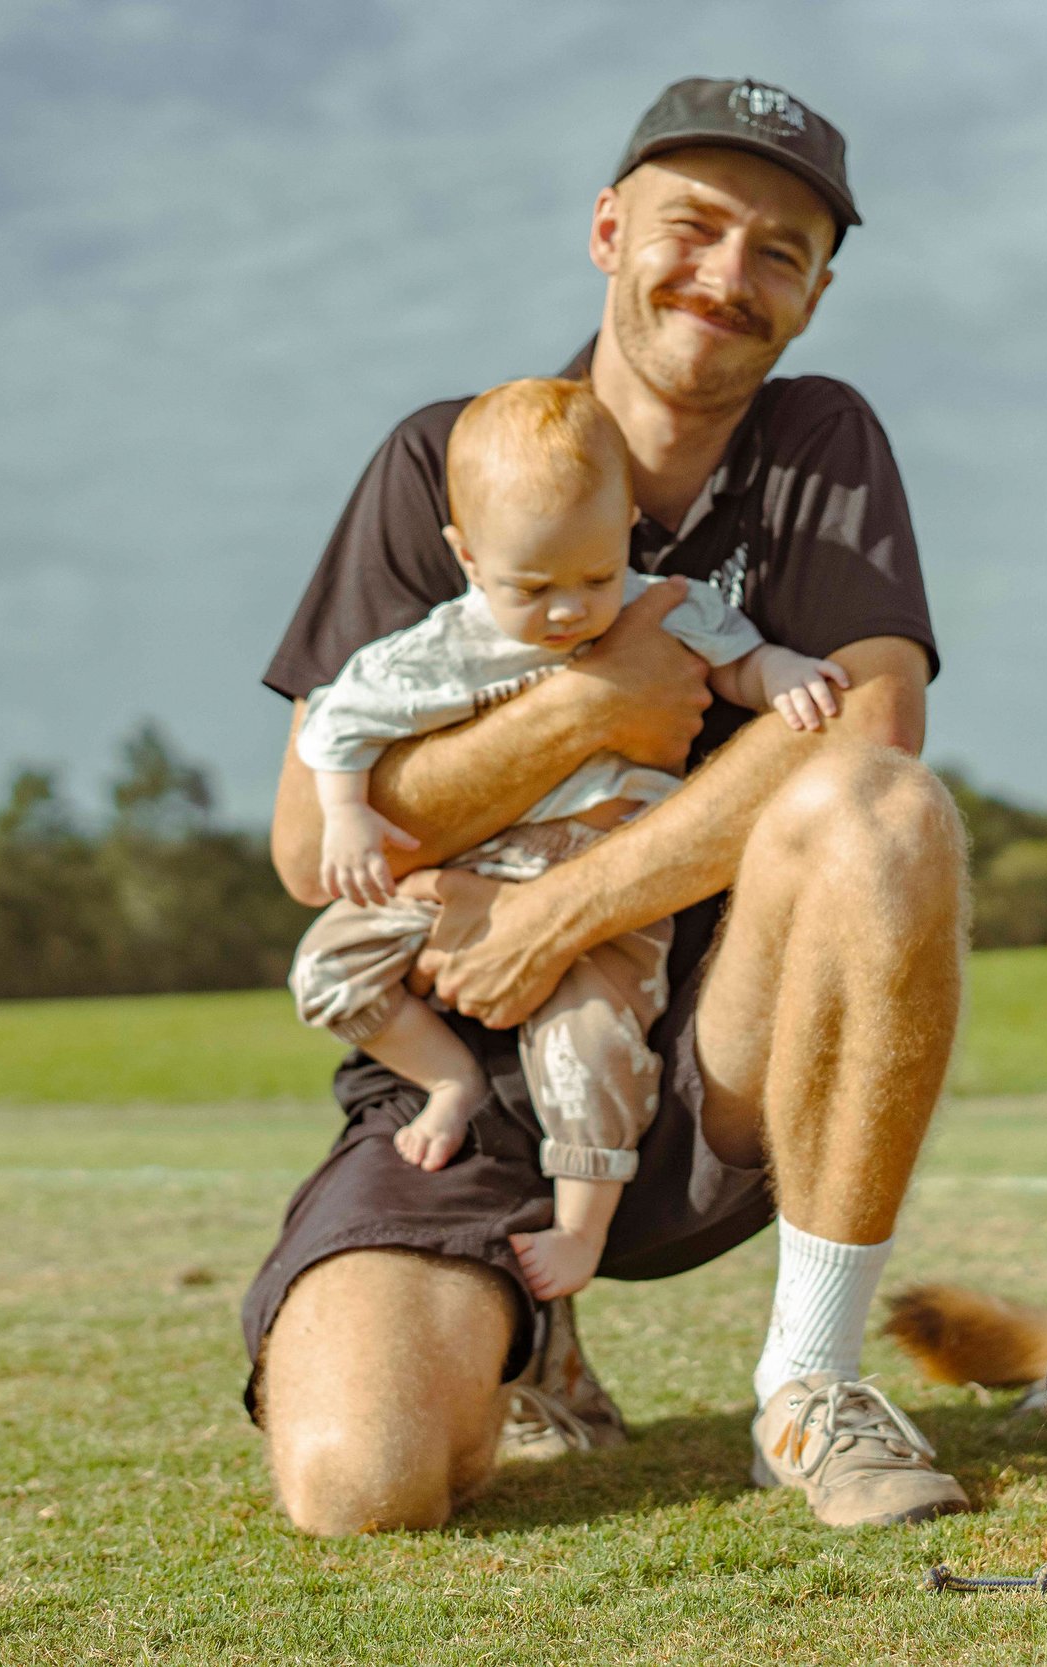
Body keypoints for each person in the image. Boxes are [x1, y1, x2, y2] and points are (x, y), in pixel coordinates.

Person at [246, 75, 969, 1533]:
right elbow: (302, 844)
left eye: (780, 250)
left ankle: (809, 1384)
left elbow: (875, 725)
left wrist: (559, 909)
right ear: (605, 229)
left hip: (710, 1033)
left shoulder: (819, 441)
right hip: (465, 1054)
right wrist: (589, 702)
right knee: (358, 1481)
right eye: (692, 226)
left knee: (886, 811)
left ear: (818, 293)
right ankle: (525, 1330)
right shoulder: (445, 457)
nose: (727, 274)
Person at [287, 374, 850, 1304]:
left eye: (593, 577)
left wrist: (782, 670)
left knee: (590, 1047)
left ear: (627, 525)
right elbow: (336, 725)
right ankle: (448, 1082)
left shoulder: (659, 603)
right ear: (467, 557)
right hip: (466, 884)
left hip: (604, 877)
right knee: (327, 967)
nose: (566, 610)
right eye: (533, 586)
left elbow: (739, 658)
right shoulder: (441, 648)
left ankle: (581, 1230)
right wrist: (346, 810)